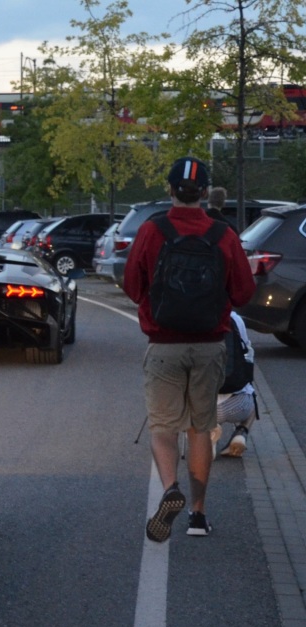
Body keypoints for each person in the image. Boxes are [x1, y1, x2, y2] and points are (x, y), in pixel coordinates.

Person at [124, 156, 255, 540]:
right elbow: (244, 291)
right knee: (201, 427)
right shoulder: (223, 234)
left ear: (170, 190)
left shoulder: (152, 231)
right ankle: (198, 516)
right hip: (210, 345)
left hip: (163, 345)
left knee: (163, 428)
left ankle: (170, 489)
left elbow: (133, 287)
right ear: (204, 193)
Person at [212, 311, 257, 458]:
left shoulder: (192, 314)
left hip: (203, 409)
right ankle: (241, 433)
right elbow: (247, 352)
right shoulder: (234, 318)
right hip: (238, 405)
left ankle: (208, 435)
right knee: (252, 398)